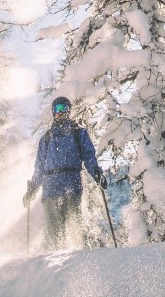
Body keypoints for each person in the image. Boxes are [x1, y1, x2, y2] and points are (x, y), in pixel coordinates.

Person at [24, 96, 108, 249]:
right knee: (55, 234)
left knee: (76, 226)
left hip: (71, 185)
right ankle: (57, 262)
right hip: (50, 189)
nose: (61, 112)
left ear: (69, 111)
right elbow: (39, 167)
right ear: (53, 112)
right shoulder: (46, 138)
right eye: (58, 109)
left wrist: (96, 173)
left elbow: (88, 156)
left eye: (64, 108)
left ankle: (82, 257)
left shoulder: (78, 134)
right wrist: (33, 189)